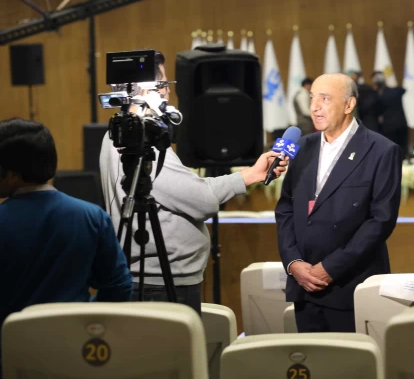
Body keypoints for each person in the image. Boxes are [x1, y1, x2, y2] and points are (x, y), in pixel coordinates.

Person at [101, 50, 288, 314]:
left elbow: (183, 191)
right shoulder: (144, 144)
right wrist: (245, 177)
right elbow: (202, 200)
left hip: (151, 279)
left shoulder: (115, 135)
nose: (168, 92)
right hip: (161, 283)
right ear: (146, 90)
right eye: (163, 84)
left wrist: (250, 174)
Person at [0, 119, 132, 375]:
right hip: (76, 354)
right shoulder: (93, 216)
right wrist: (79, 315)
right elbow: (119, 288)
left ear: (14, 175)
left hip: (10, 357)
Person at [276, 73, 402, 333]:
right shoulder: (302, 147)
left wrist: (330, 268)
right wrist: (293, 263)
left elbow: (381, 221)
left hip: (352, 287)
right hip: (304, 286)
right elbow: (286, 208)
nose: (314, 107)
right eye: (312, 98)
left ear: (349, 104)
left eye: (324, 99)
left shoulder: (381, 150)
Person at [374, 71, 409, 156]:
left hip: (389, 126)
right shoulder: (396, 91)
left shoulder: (380, 97)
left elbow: (378, 111)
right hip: (401, 123)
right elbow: (403, 89)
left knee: (391, 147)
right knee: (403, 146)